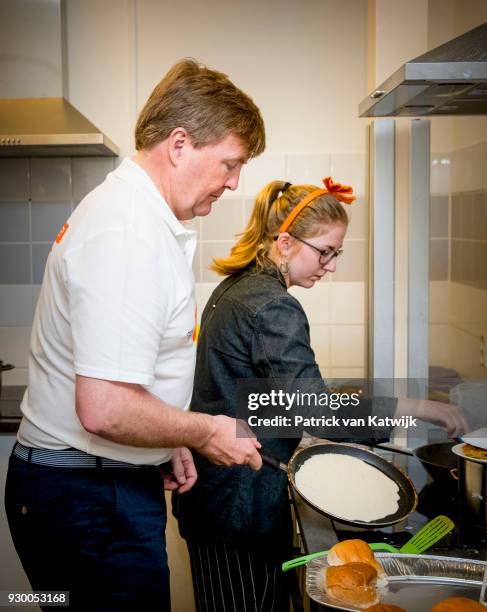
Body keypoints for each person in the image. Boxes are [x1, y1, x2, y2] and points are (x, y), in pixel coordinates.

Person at [4, 58, 266, 611]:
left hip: (91, 488)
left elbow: (124, 381)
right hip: (87, 500)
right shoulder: (127, 232)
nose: (235, 181)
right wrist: (202, 431)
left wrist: (164, 439)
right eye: (229, 163)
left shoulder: (137, 217)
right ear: (178, 145)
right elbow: (104, 407)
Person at [173, 177, 469, 612]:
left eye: (337, 253)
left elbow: (267, 395)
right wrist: (419, 408)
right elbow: (317, 410)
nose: (331, 265)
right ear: (287, 242)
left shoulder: (238, 287)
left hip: (219, 497)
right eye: (325, 251)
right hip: (240, 503)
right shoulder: (272, 305)